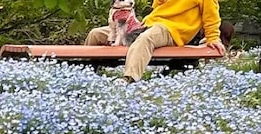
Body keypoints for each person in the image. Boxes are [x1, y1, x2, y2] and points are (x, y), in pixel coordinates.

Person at [87, 0, 225, 81]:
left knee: (145, 38)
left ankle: (129, 79)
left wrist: (213, 38)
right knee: (96, 34)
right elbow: (157, 7)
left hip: (172, 30)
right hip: (148, 24)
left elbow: (211, 17)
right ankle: (82, 73)